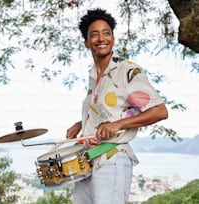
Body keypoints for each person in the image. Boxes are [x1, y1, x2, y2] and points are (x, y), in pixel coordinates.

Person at [66, 8, 168, 204]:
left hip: (112, 159)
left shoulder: (126, 70)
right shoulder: (94, 75)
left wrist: (117, 125)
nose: (101, 38)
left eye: (106, 33)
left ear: (113, 39)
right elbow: (109, 111)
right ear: (86, 43)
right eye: (94, 34)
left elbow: (159, 111)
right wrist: (82, 123)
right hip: (87, 159)